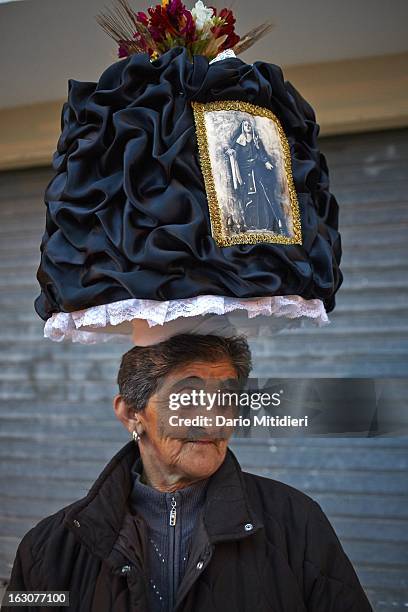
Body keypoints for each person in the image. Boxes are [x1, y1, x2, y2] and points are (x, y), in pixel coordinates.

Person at [2, 334, 372, 611]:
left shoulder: (296, 524)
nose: (212, 419)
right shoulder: (50, 548)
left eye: (226, 398)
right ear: (132, 414)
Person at [226, 119, 290, 234]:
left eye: (249, 125)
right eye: (246, 125)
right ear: (243, 127)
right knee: (250, 198)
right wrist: (232, 153)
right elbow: (234, 154)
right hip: (246, 174)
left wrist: (266, 162)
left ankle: (267, 225)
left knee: (263, 196)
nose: (248, 127)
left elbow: (261, 153)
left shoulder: (256, 140)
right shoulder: (240, 141)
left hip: (258, 172)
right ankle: (251, 225)